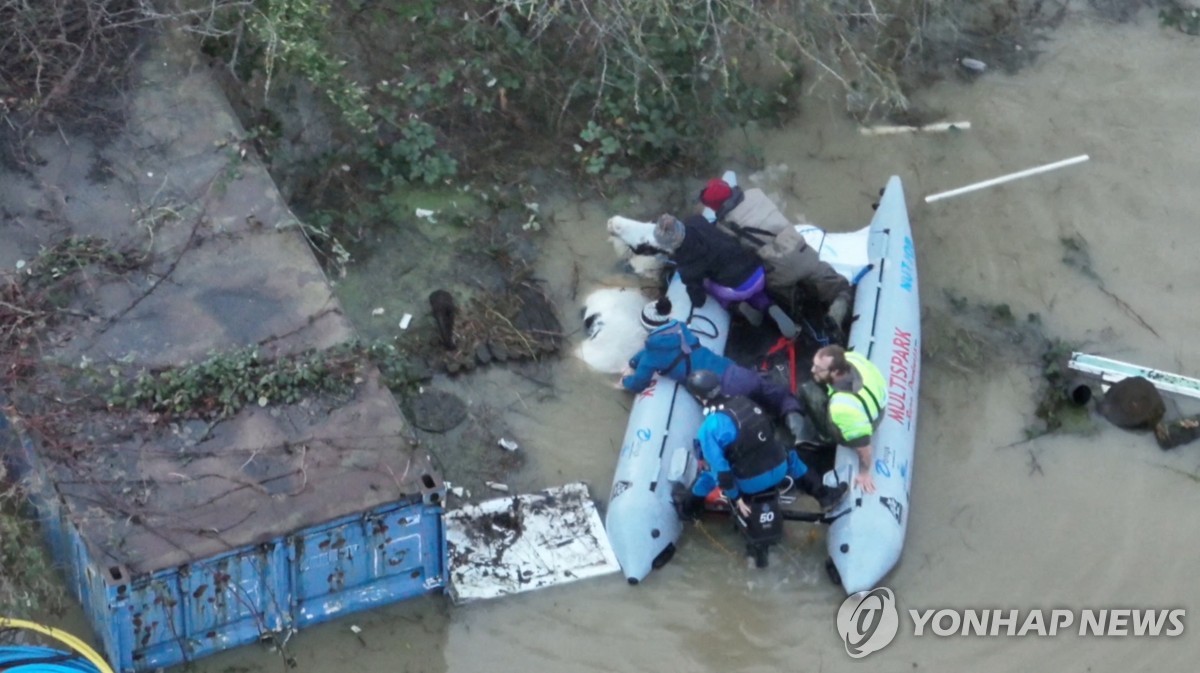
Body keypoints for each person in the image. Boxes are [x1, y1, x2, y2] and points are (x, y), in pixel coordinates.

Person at [619, 297, 809, 437]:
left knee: (743, 426)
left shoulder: (652, 356)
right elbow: (655, 349)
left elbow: (639, 383)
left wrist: (625, 380)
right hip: (734, 373)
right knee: (773, 391)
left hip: (716, 393)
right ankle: (795, 423)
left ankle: (769, 434)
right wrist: (634, 361)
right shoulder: (680, 328)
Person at [677, 369, 848, 520]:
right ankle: (824, 496)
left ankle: (688, 509)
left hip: (749, 484)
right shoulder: (744, 401)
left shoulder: (709, 428)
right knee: (792, 457)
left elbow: (722, 473)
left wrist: (737, 499)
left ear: (699, 397)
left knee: (708, 474)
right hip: (780, 469)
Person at [698, 178, 854, 327]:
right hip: (802, 250)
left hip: (778, 269)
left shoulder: (723, 227)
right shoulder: (756, 193)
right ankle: (836, 311)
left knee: (778, 294)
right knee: (839, 287)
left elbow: (737, 253)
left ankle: (795, 311)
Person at [652, 213, 798, 339]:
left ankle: (736, 306)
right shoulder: (696, 220)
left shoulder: (687, 265)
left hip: (738, 289)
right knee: (746, 282)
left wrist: (696, 288)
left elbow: (699, 300)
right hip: (757, 270)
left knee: (708, 283)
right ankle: (768, 304)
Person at [797, 344, 887, 494]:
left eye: (819, 368)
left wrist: (865, 474)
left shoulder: (842, 407)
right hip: (876, 405)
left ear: (836, 372)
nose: (813, 370)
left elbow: (864, 448)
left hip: (866, 421)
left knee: (807, 390)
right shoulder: (853, 359)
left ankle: (824, 437)